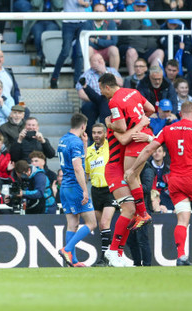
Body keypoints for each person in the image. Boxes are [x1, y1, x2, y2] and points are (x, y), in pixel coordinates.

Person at [125, 101, 192, 266]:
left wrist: (133, 169)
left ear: (180, 112)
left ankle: (182, 257)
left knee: (182, 220)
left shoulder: (168, 129)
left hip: (175, 180)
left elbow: (149, 149)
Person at [98, 73, 154, 267]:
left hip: (121, 167)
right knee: (128, 209)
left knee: (129, 210)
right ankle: (113, 251)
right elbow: (122, 139)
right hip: (114, 168)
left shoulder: (118, 111)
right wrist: (141, 123)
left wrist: (141, 127)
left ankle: (119, 252)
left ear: (105, 87)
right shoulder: (114, 122)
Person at [56, 113, 98, 267]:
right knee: (91, 222)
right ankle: (67, 249)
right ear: (83, 126)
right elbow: (78, 167)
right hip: (75, 187)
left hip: (65, 188)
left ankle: (72, 261)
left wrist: (85, 144)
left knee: (72, 224)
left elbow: (78, 159)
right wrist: (85, 190)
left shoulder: (63, 139)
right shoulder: (75, 143)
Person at [84, 123, 118, 265]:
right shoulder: (89, 150)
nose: (96, 135)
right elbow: (87, 173)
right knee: (102, 226)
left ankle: (104, 258)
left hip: (110, 189)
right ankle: (109, 255)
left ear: (105, 133)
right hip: (96, 190)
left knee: (105, 223)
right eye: (94, 132)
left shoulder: (109, 146)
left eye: (99, 132)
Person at [118, 0, 164, 77]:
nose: (140, 9)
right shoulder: (127, 15)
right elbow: (131, 28)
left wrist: (141, 28)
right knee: (131, 52)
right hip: (133, 48)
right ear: (134, 6)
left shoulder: (150, 17)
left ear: (146, 7)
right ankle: (133, 80)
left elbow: (157, 31)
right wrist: (148, 30)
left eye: (143, 6)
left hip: (148, 50)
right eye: (138, 6)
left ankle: (153, 78)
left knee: (159, 52)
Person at [76, 53, 123, 128]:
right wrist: (97, 99)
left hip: (111, 100)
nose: (100, 61)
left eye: (101, 59)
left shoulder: (112, 71)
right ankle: (91, 137)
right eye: (96, 60)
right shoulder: (86, 75)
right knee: (88, 107)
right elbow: (81, 93)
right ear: (91, 64)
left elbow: (121, 83)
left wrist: (105, 72)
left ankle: (106, 133)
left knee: (107, 103)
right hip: (92, 101)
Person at [49, 0, 88, 89]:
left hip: (82, 21)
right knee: (65, 52)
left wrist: (85, 3)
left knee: (79, 53)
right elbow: (58, 3)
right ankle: (54, 78)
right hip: (68, 22)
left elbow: (88, 3)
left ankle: (77, 82)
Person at [21, 0, 62, 67]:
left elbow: (59, 5)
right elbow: (35, 4)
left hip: (53, 21)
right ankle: (40, 56)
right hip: (37, 21)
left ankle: (44, 58)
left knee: (48, 35)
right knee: (38, 35)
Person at [85, 3, 120, 70]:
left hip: (106, 51)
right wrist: (105, 41)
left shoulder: (111, 23)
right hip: (93, 50)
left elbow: (114, 42)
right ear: (93, 12)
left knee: (114, 49)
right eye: (96, 11)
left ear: (105, 12)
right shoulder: (87, 23)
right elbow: (86, 42)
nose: (99, 13)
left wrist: (96, 41)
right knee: (88, 49)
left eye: (101, 11)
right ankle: (90, 76)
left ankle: (114, 76)